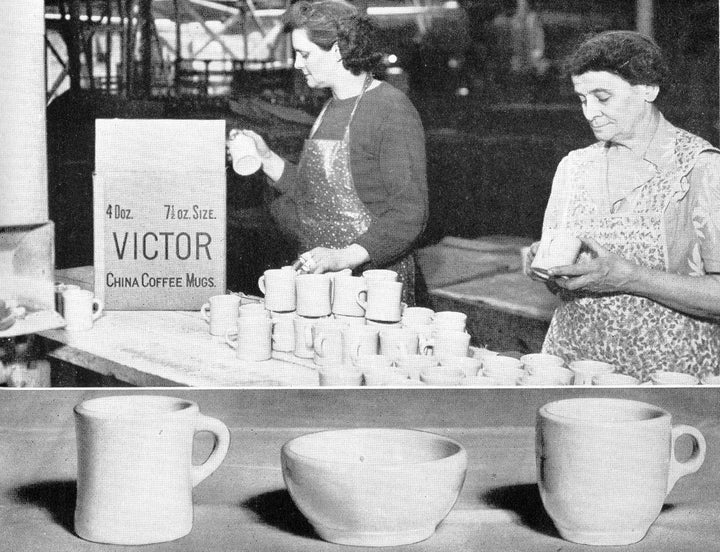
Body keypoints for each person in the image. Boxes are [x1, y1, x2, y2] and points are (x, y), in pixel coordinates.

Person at [525, 30, 720, 380]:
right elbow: (558, 271)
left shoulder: (701, 169)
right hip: (573, 366)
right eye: (582, 99)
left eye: (603, 97)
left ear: (648, 89)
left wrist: (631, 278)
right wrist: (547, 267)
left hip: (667, 375)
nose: (590, 113)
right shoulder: (574, 167)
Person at [231, 0, 428, 304]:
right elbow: (315, 195)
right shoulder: (330, 108)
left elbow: (409, 214)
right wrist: (266, 158)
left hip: (373, 288)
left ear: (337, 50)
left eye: (304, 53)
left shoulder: (391, 110)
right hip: (323, 282)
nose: (297, 63)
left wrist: (344, 257)